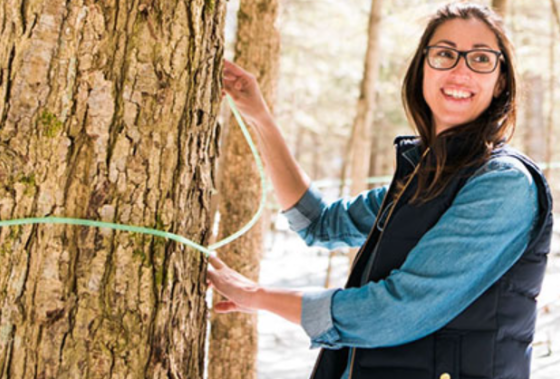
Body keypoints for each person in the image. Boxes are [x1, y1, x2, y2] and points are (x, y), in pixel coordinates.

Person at [208, 2, 554, 379]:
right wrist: (260, 118)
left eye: (481, 59)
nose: (460, 70)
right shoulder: (423, 176)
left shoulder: (503, 185)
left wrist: (257, 296)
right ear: (422, 68)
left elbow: (392, 313)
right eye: (444, 54)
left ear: (501, 79)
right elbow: (321, 223)